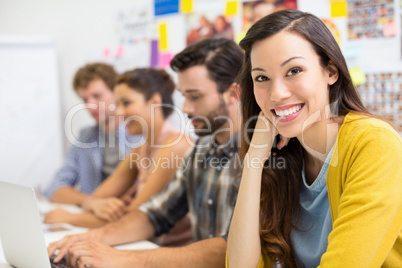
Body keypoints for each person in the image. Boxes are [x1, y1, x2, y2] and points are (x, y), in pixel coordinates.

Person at [227, 10, 402, 268]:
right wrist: (254, 158)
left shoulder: (374, 143)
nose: (277, 93)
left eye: (294, 70)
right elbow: (241, 265)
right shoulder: (281, 155)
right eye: (262, 78)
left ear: (330, 71)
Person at [48, 38, 243, 268]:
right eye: (184, 96)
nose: (186, 109)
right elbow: (155, 214)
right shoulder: (200, 150)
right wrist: (86, 239)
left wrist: (123, 258)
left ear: (233, 93)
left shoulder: (264, 156)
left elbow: (233, 248)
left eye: (195, 96)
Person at [44, 69, 193, 241]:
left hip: (169, 251)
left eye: (126, 103)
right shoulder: (141, 149)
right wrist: (96, 204)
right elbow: (98, 197)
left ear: (154, 101)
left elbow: (134, 218)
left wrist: (69, 218)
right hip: (144, 244)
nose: (119, 113)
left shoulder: (176, 145)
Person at [44, 63, 140, 205]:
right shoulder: (86, 137)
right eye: (85, 99)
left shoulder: (141, 135)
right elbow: (54, 188)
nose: (90, 106)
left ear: (117, 93)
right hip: (94, 215)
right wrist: (91, 203)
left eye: (97, 96)